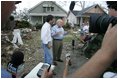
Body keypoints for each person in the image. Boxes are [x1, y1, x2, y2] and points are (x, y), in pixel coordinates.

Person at [41, 1, 117, 78]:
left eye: (61, 23)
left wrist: (67, 33)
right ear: (57, 23)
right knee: (51, 55)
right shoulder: (52, 27)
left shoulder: (61, 28)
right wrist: (52, 38)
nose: (61, 24)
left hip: (61, 40)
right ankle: (52, 64)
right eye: (60, 23)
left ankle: (58, 59)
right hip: (55, 41)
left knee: (58, 51)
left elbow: (63, 34)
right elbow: (49, 35)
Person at [1, 1, 21, 78]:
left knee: (14, 39)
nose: (14, 7)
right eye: (14, 2)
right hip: (12, 32)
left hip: (12, 32)